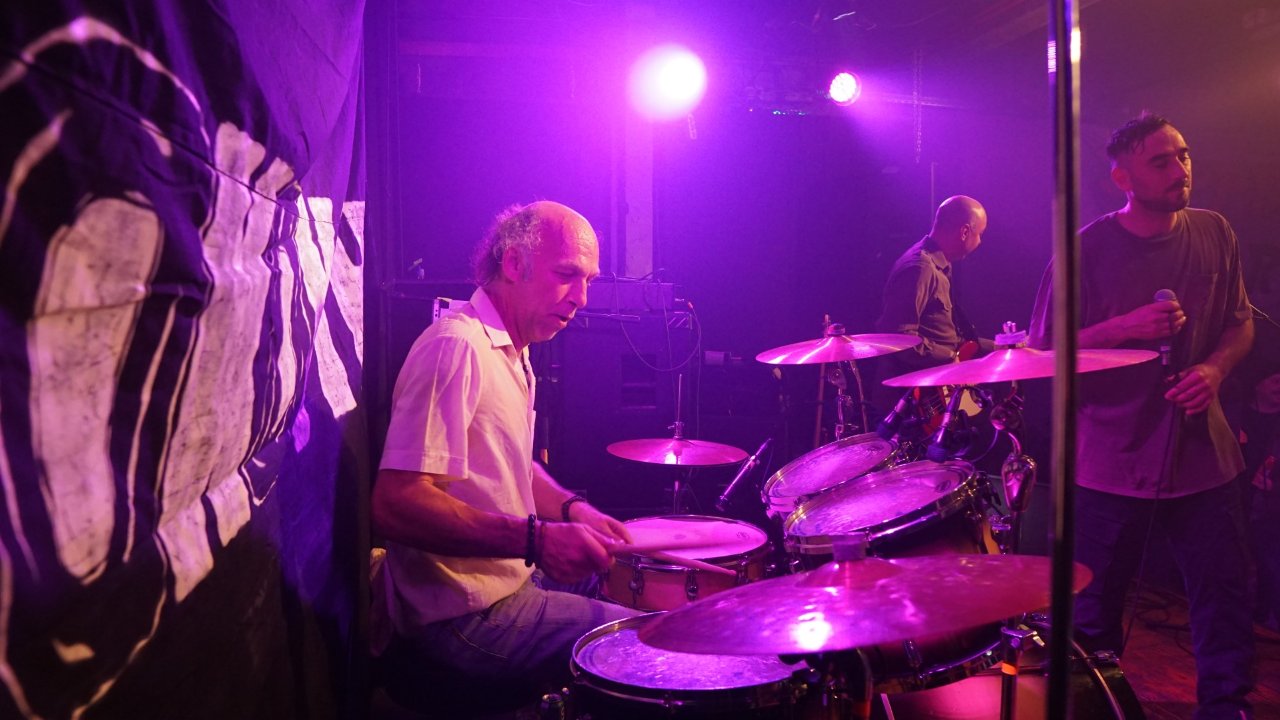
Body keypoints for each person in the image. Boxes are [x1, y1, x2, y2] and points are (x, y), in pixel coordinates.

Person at [1028, 113, 1256, 720]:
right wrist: (1122, 327)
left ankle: (1226, 707)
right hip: (1109, 464)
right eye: (1161, 161)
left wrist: (1214, 372)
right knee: (1091, 612)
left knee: (1224, 596)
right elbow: (1041, 354)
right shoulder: (1084, 251)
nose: (1180, 169)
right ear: (1122, 178)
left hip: (1204, 457)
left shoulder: (1215, 231)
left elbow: (1240, 323)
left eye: (1183, 155)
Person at [370, 201, 640, 711]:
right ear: (514, 263)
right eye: (567, 275)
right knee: (645, 641)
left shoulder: (514, 351)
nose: (582, 298)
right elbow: (395, 503)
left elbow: (511, 461)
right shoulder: (456, 346)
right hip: (459, 620)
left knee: (624, 576)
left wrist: (573, 510)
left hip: (505, 581)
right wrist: (537, 539)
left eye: (588, 281)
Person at [876, 195, 994, 373]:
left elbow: (946, 337)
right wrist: (949, 357)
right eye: (980, 234)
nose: (980, 241)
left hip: (937, 377)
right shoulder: (920, 268)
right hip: (918, 386)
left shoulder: (941, 265)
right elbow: (898, 338)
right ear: (964, 232)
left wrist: (1000, 347)